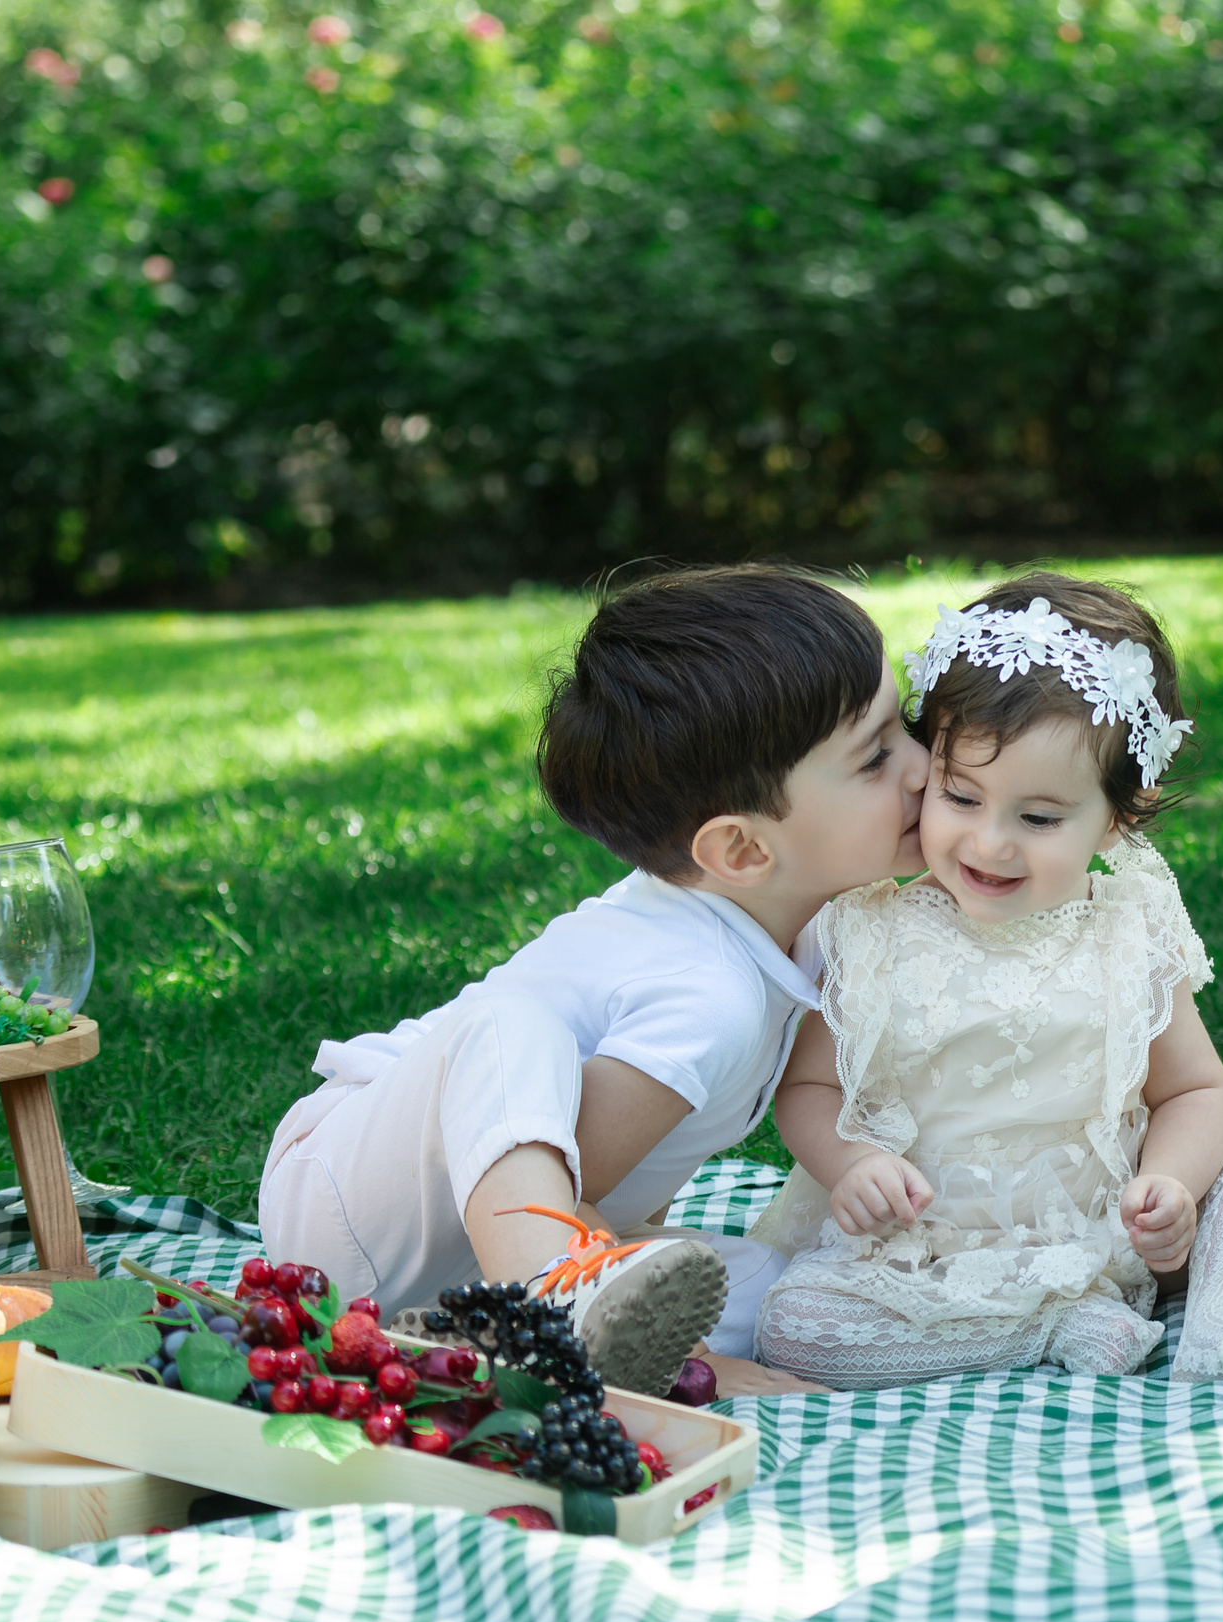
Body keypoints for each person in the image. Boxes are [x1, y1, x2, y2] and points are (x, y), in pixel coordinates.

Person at [258, 565, 927, 1400]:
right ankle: (559, 1318)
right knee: (512, 1022)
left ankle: (485, 1327)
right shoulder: (704, 994)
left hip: (465, 1253)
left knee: (781, 1289)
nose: (923, 765)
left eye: (906, 727)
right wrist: (699, 1354)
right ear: (743, 851)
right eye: (877, 757)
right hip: (350, 1206)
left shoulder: (811, 925)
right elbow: (578, 1179)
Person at [750, 573, 1223, 1387]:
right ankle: (1045, 1330)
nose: (989, 842)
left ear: (1119, 815)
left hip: (1110, 1229)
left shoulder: (1127, 928)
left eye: (1038, 818)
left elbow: (1193, 1090)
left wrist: (1172, 1185)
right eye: (961, 794)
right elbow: (807, 1086)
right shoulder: (872, 926)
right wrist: (851, 1165)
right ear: (929, 768)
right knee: (796, 1326)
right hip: (930, 1251)